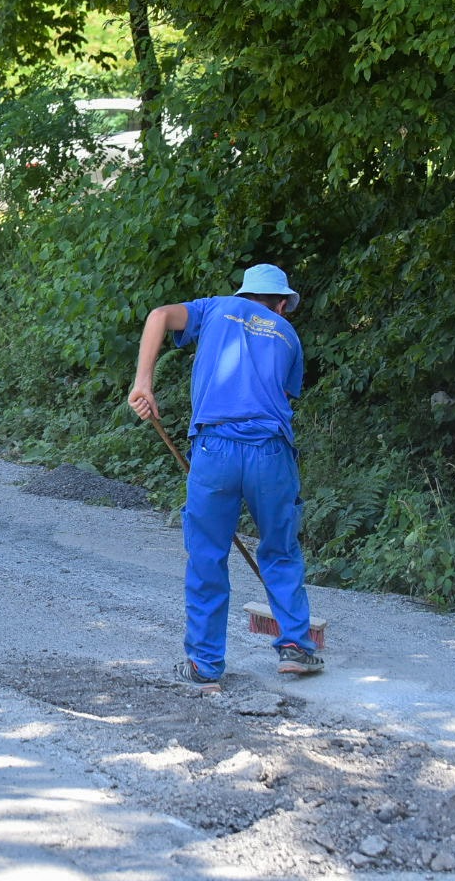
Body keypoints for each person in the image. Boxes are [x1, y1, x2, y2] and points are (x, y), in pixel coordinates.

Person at [127, 263, 324, 692]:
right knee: (280, 550)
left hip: (215, 450)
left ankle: (204, 667)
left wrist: (144, 382)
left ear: (244, 293)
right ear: (280, 304)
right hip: (271, 452)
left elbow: (159, 315)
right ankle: (295, 648)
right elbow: (281, 396)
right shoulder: (288, 336)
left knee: (207, 555)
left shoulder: (215, 309)